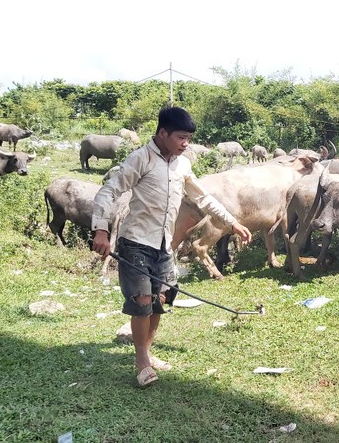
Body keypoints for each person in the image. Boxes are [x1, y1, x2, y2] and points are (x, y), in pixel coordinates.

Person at [91, 106, 252, 387]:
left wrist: (232, 223)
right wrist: (101, 229)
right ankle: (141, 361)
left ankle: (147, 352)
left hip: (164, 244)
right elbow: (110, 190)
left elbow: (203, 198)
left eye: (188, 138)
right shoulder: (140, 159)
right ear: (162, 133)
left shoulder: (182, 165)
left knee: (162, 298)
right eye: (181, 137)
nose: (185, 144)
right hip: (136, 242)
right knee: (141, 300)